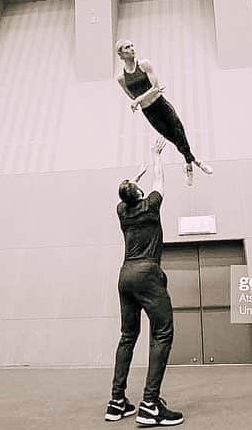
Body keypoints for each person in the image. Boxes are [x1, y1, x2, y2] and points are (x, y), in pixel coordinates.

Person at [105, 137, 184, 426]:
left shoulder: (122, 211)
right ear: (139, 193)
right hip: (148, 273)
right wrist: (155, 157)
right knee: (163, 333)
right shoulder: (150, 206)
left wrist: (135, 176)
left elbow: (124, 191)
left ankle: (117, 402)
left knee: (128, 336)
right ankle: (150, 404)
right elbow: (160, 180)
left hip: (125, 275)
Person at [115, 39, 213, 187]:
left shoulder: (144, 64)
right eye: (127, 47)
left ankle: (192, 164)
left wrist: (139, 99)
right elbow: (131, 95)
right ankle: (192, 162)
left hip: (161, 105)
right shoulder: (121, 78)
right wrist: (139, 100)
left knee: (179, 132)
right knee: (173, 139)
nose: (132, 48)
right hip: (149, 112)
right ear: (121, 54)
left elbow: (155, 88)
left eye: (132, 45)